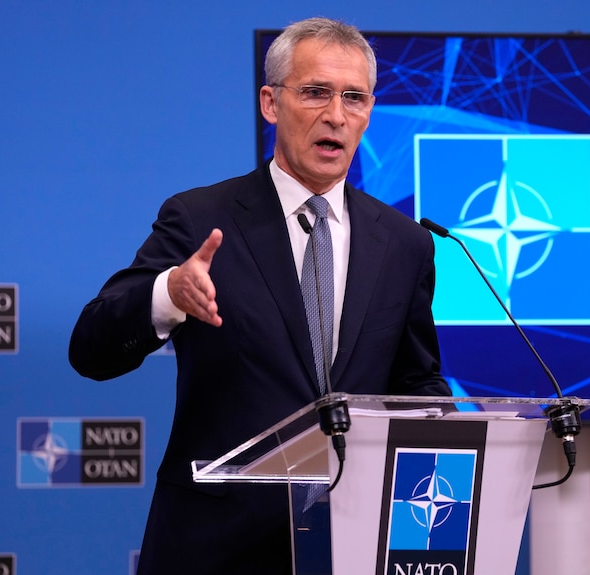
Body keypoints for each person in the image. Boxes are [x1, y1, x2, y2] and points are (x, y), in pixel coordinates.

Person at [68, 16, 451, 574]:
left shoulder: (405, 242)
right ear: (271, 104)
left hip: (353, 543)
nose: (336, 115)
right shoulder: (201, 217)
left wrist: (453, 433)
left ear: (370, 111)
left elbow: (415, 378)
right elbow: (91, 348)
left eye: (354, 97)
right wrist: (169, 293)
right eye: (316, 92)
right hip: (217, 546)